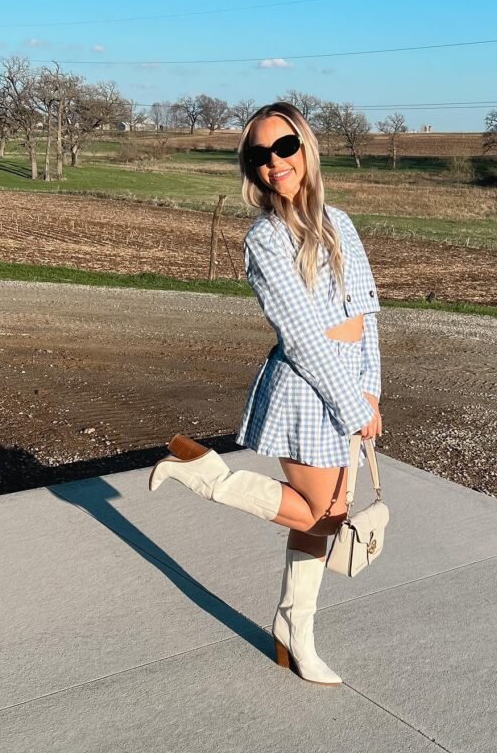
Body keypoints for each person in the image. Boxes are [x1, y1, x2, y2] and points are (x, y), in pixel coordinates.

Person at [149, 101, 382, 686]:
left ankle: (292, 632)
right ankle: (205, 475)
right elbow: (303, 337)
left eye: (284, 148)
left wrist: (371, 391)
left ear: (305, 147)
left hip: (348, 382)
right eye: (259, 155)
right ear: (250, 169)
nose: (274, 163)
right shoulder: (266, 240)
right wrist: (352, 406)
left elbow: (368, 314)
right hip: (308, 392)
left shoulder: (342, 223)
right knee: (321, 516)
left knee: (321, 519)